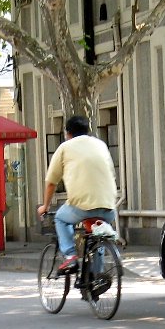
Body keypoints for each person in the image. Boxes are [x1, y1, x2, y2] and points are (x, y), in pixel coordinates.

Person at [36, 115, 117, 273]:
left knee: (60, 218)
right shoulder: (101, 145)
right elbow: (112, 173)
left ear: (68, 133)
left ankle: (70, 256)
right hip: (109, 206)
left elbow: (51, 182)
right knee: (97, 233)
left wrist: (45, 206)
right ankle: (97, 275)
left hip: (82, 206)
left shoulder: (65, 148)